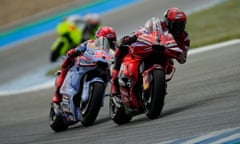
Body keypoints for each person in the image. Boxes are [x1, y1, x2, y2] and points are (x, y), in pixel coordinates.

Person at [111, 7, 190, 96]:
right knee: (122, 49)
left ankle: (158, 85)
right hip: (151, 47)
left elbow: (183, 59)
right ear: (168, 22)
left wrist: (178, 53)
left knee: (170, 65)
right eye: (176, 24)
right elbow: (144, 30)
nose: (178, 28)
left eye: (181, 24)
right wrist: (132, 36)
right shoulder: (159, 25)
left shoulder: (184, 37)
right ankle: (115, 84)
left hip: (165, 55)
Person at [52, 26, 117, 104]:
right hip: (89, 64)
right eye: (105, 40)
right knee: (68, 62)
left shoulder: (115, 49)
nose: (108, 44)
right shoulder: (90, 43)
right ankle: (57, 92)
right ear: (98, 38)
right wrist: (74, 52)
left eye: (111, 41)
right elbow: (78, 49)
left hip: (105, 68)